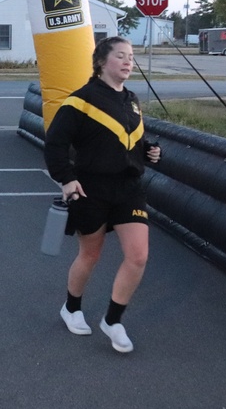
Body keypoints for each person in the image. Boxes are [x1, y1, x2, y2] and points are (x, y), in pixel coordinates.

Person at [43, 36, 161, 353]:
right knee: (90, 254)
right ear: (101, 62)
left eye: (131, 56)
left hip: (129, 188)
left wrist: (148, 150)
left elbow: (130, 138)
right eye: (121, 56)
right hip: (90, 188)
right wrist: (66, 180)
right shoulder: (80, 100)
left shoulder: (132, 99)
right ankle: (71, 307)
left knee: (138, 256)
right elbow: (54, 144)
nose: (128, 61)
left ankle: (113, 319)